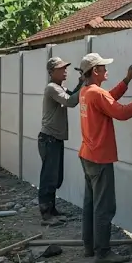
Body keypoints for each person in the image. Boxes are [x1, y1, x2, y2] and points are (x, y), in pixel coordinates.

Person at [77, 53, 132, 263]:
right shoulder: (96, 94)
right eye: (103, 67)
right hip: (100, 158)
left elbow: (108, 100)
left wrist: (127, 80)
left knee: (91, 204)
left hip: (87, 155)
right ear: (95, 71)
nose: (106, 70)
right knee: (104, 206)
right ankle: (103, 252)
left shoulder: (87, 92)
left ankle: (89, 247)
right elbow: (120, 112)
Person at [38, 56, 84, 225]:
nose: (65, 70)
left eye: (65, 67)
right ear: (51, 72)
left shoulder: (58, 87)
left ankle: (52, 210)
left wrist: (80, 84)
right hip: (49, 138)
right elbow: (71, 101)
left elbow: (72, 96)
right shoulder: (52, 88)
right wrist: (85, 83)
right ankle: (46, 215)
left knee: (55, 177)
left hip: (53, 138)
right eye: (61, 68)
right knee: (49, 178)